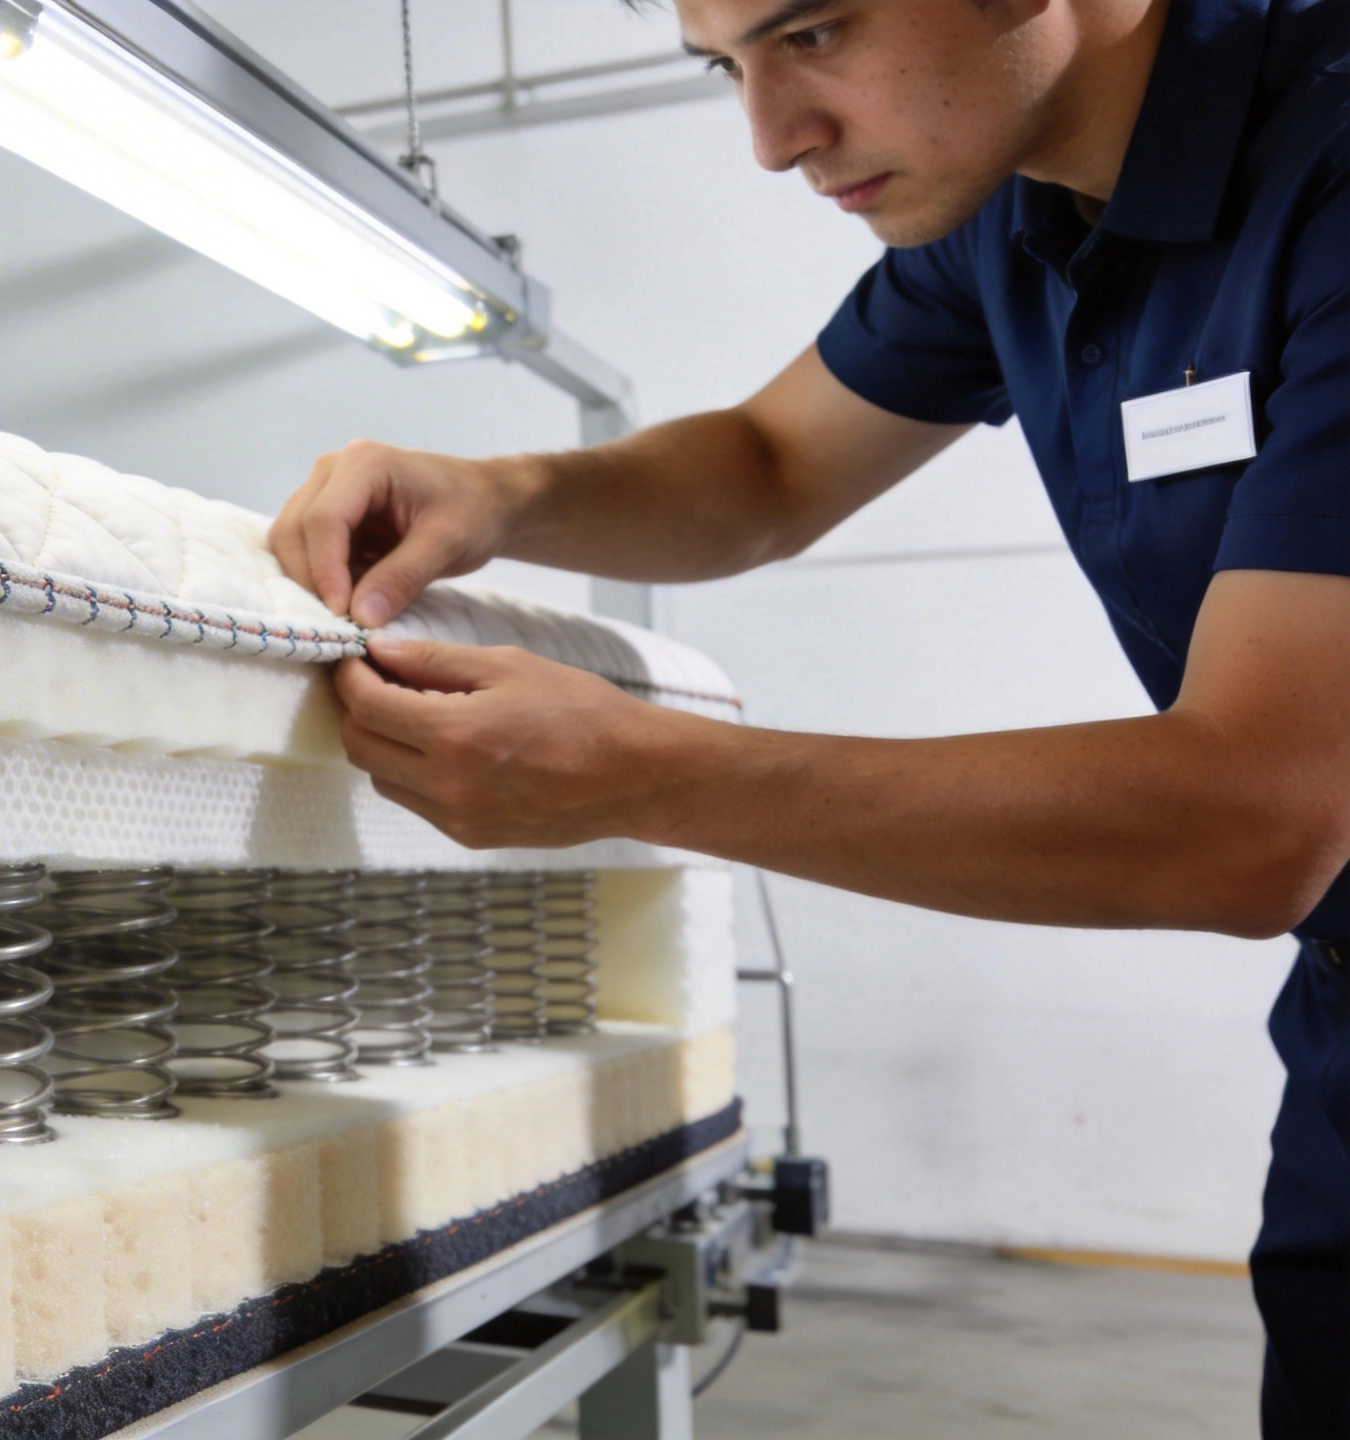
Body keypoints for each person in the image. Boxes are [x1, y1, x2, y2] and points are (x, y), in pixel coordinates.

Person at [270, 0, 1350, 1431]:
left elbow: (1257, 819)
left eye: (818, 32)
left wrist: (644, 775)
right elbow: (769, 466)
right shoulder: (1014, 208)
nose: (773, 140)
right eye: (729, 67)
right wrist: (501, 497)